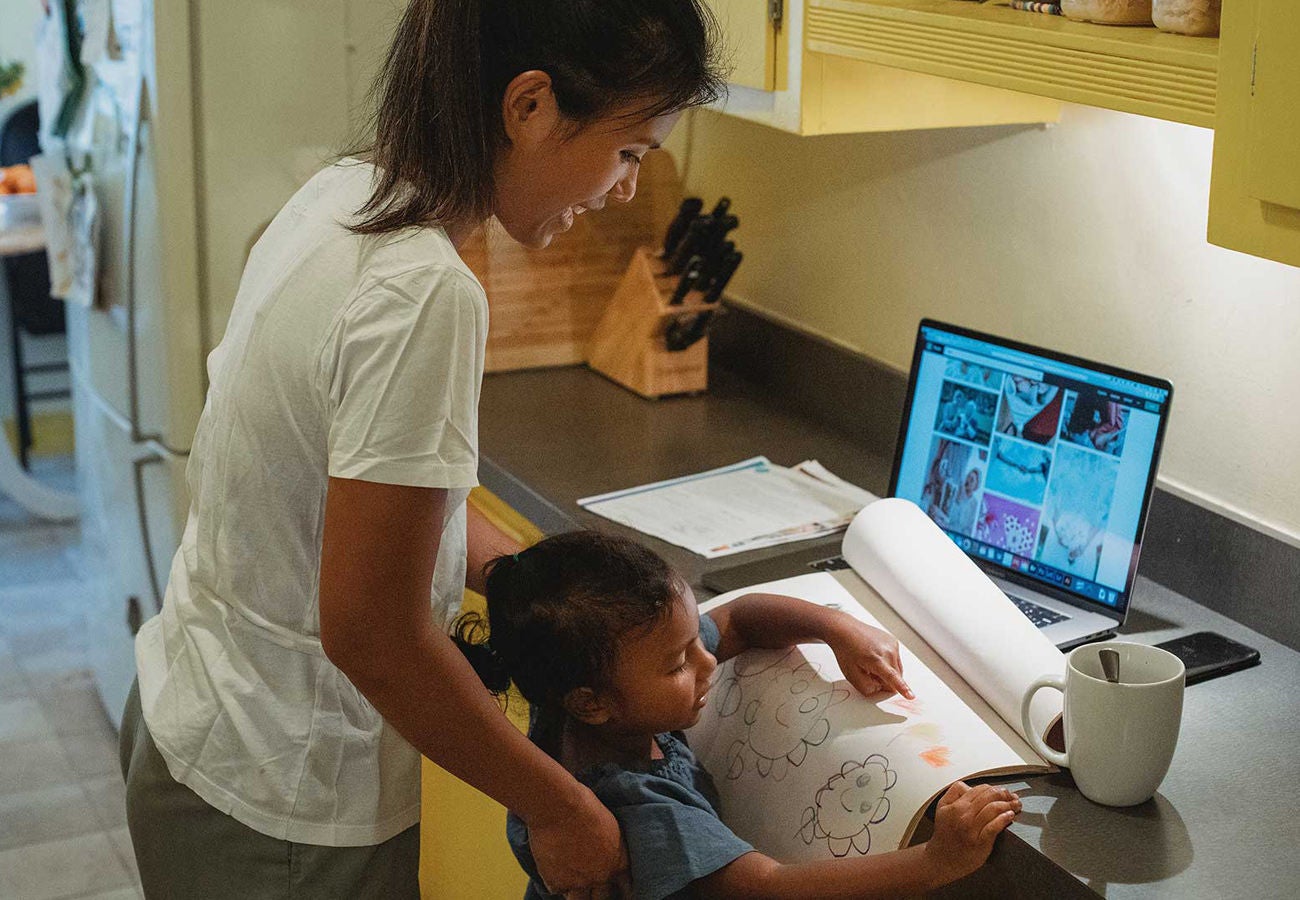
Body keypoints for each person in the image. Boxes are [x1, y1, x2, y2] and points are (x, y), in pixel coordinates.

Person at [118, 2, 725, 898]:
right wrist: (560, 807)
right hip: (286, 800)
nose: (628, 186)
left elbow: (380, 504)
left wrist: (541, 586)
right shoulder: (425, 295)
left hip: (207, 721)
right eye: (630, 150)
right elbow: (372, 632)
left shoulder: (344, 194)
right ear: (530, 107)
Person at [455, 532, 1022, 899]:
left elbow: (741, 619)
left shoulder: (570, 707)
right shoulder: (638, 810)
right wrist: (935, 862)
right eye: (679, 662)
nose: (707, 663)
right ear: (592, 701)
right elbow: (772, 888)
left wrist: (835, 628)